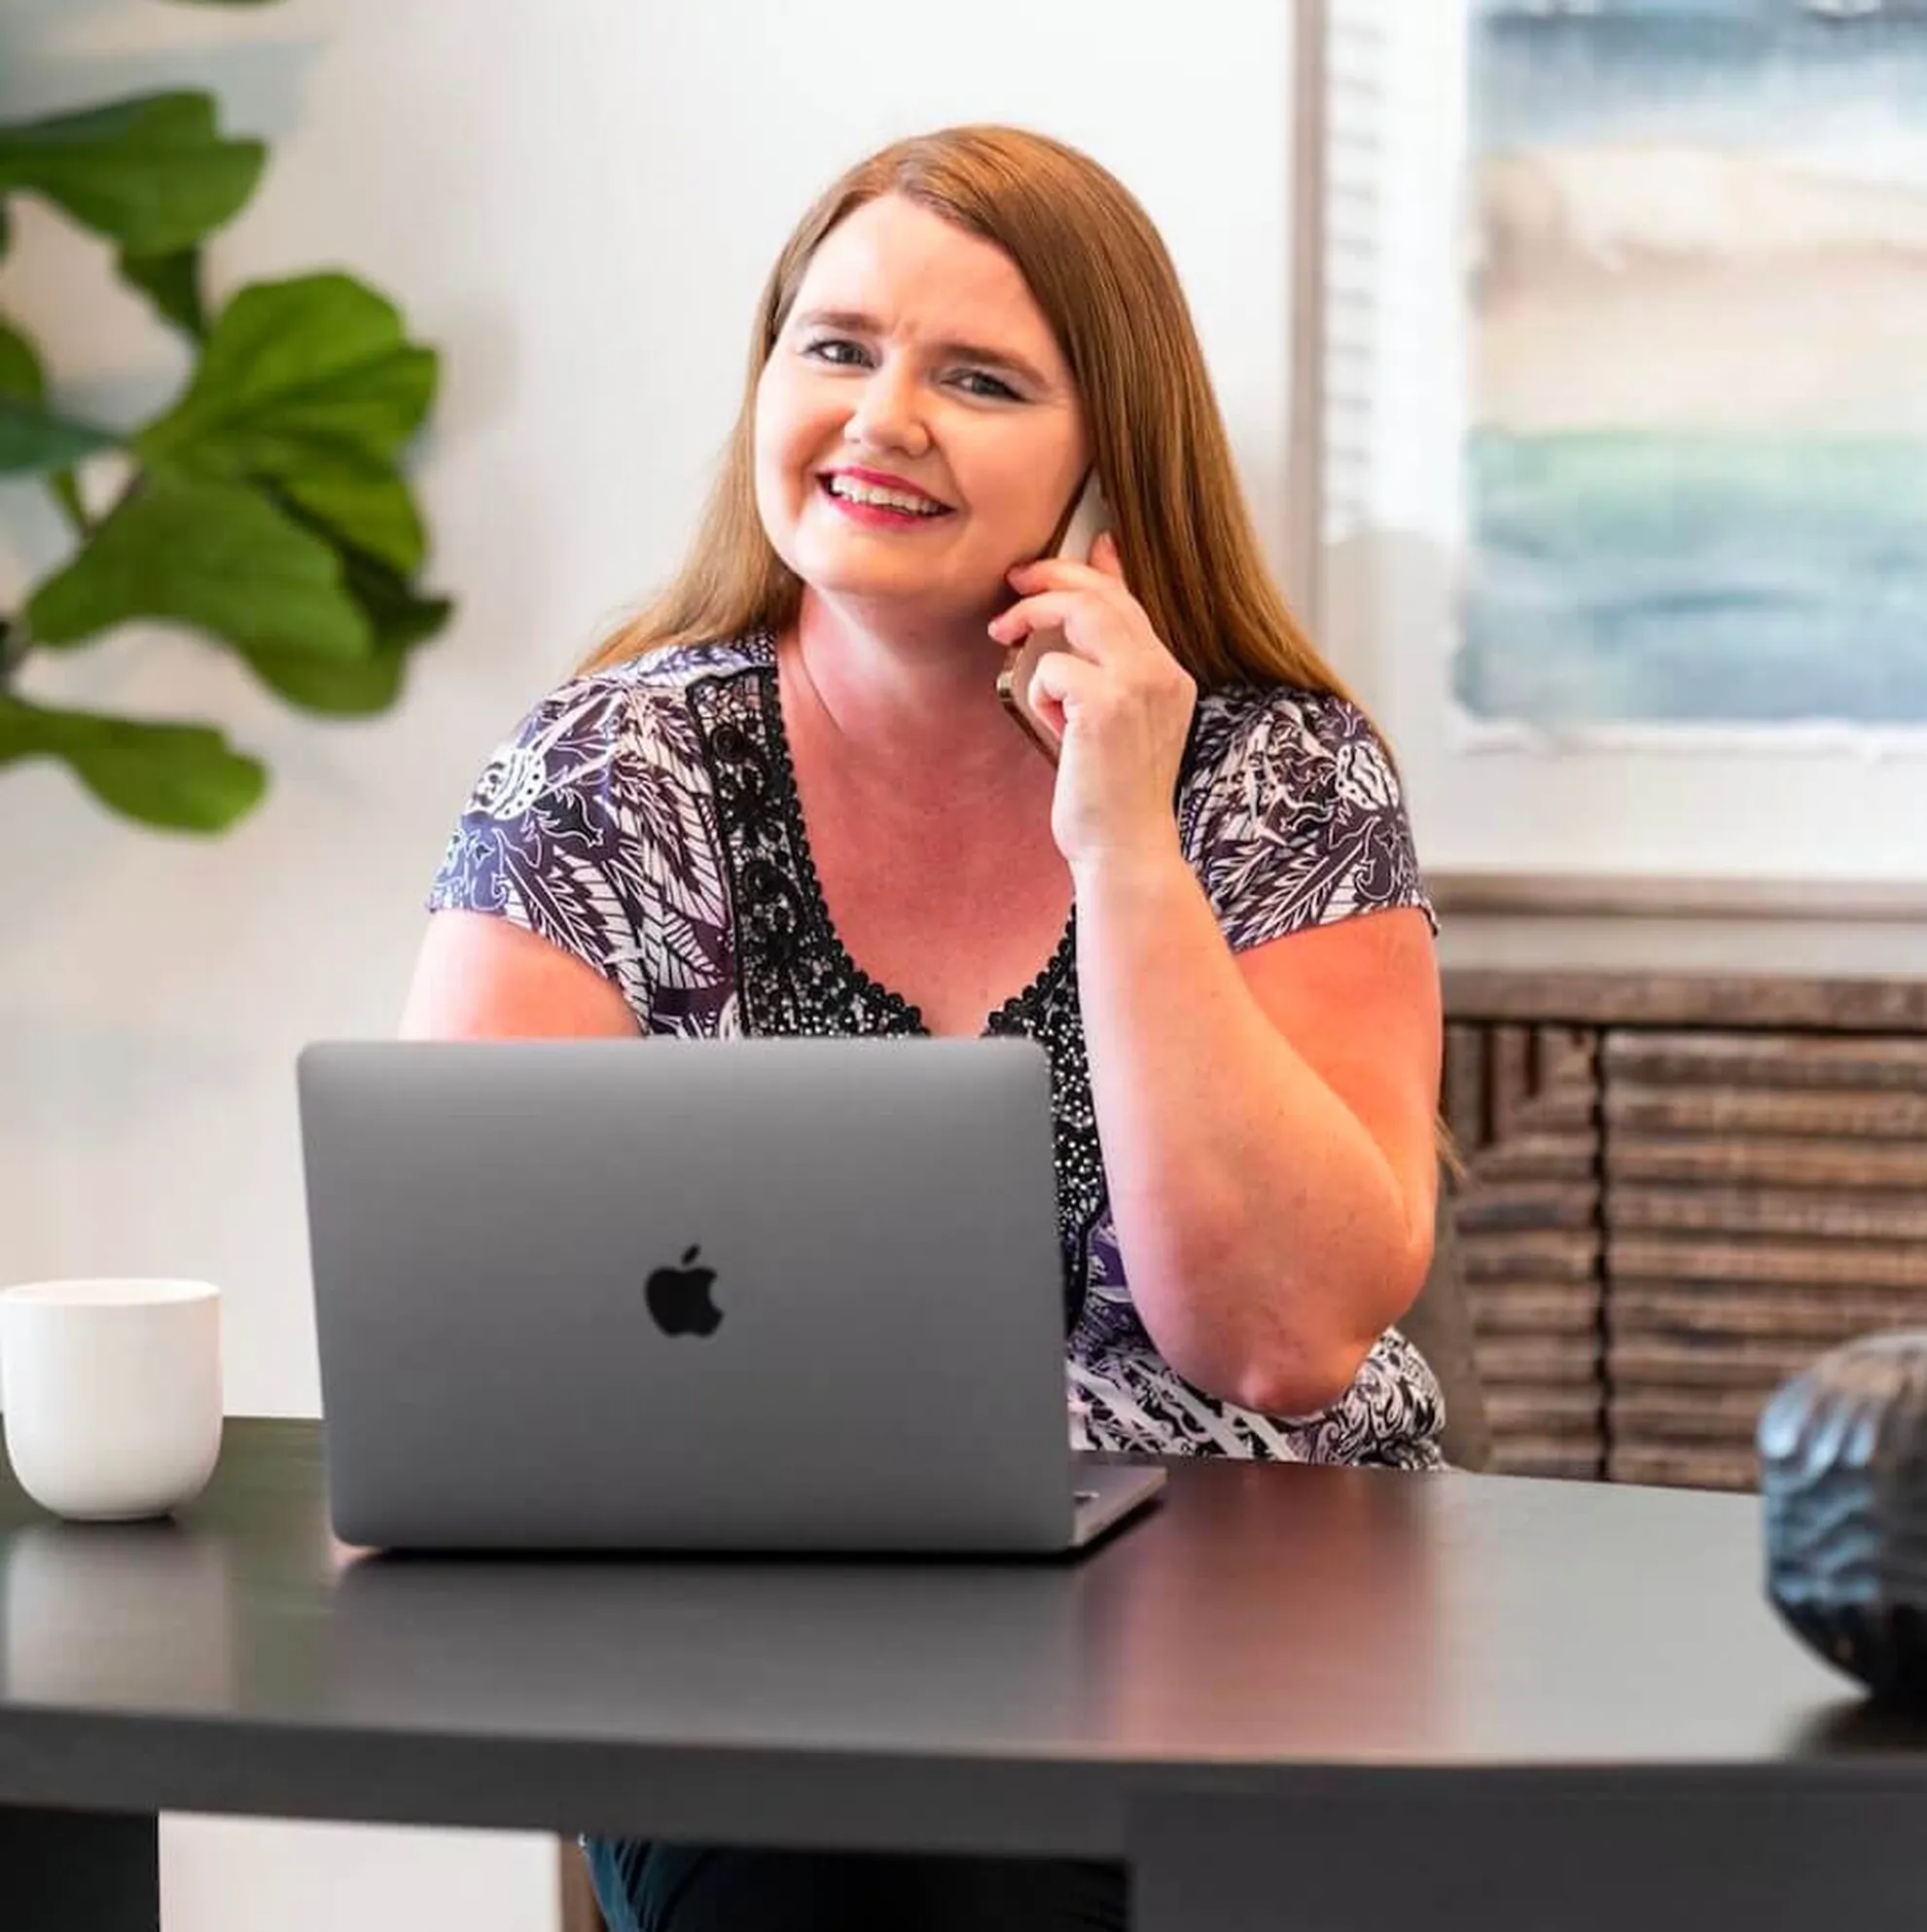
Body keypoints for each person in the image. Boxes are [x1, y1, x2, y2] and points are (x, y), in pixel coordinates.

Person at [404, 123, 1445, 1932]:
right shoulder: (608, 775)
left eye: (978, 377)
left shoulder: (1282, 777)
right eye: (836, 346)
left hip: (1241, 1634)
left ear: (1108, 466)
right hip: (747, 1655)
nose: (884, 415)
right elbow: (466, 1337)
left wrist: (1124, 832)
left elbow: (1274, 1337)